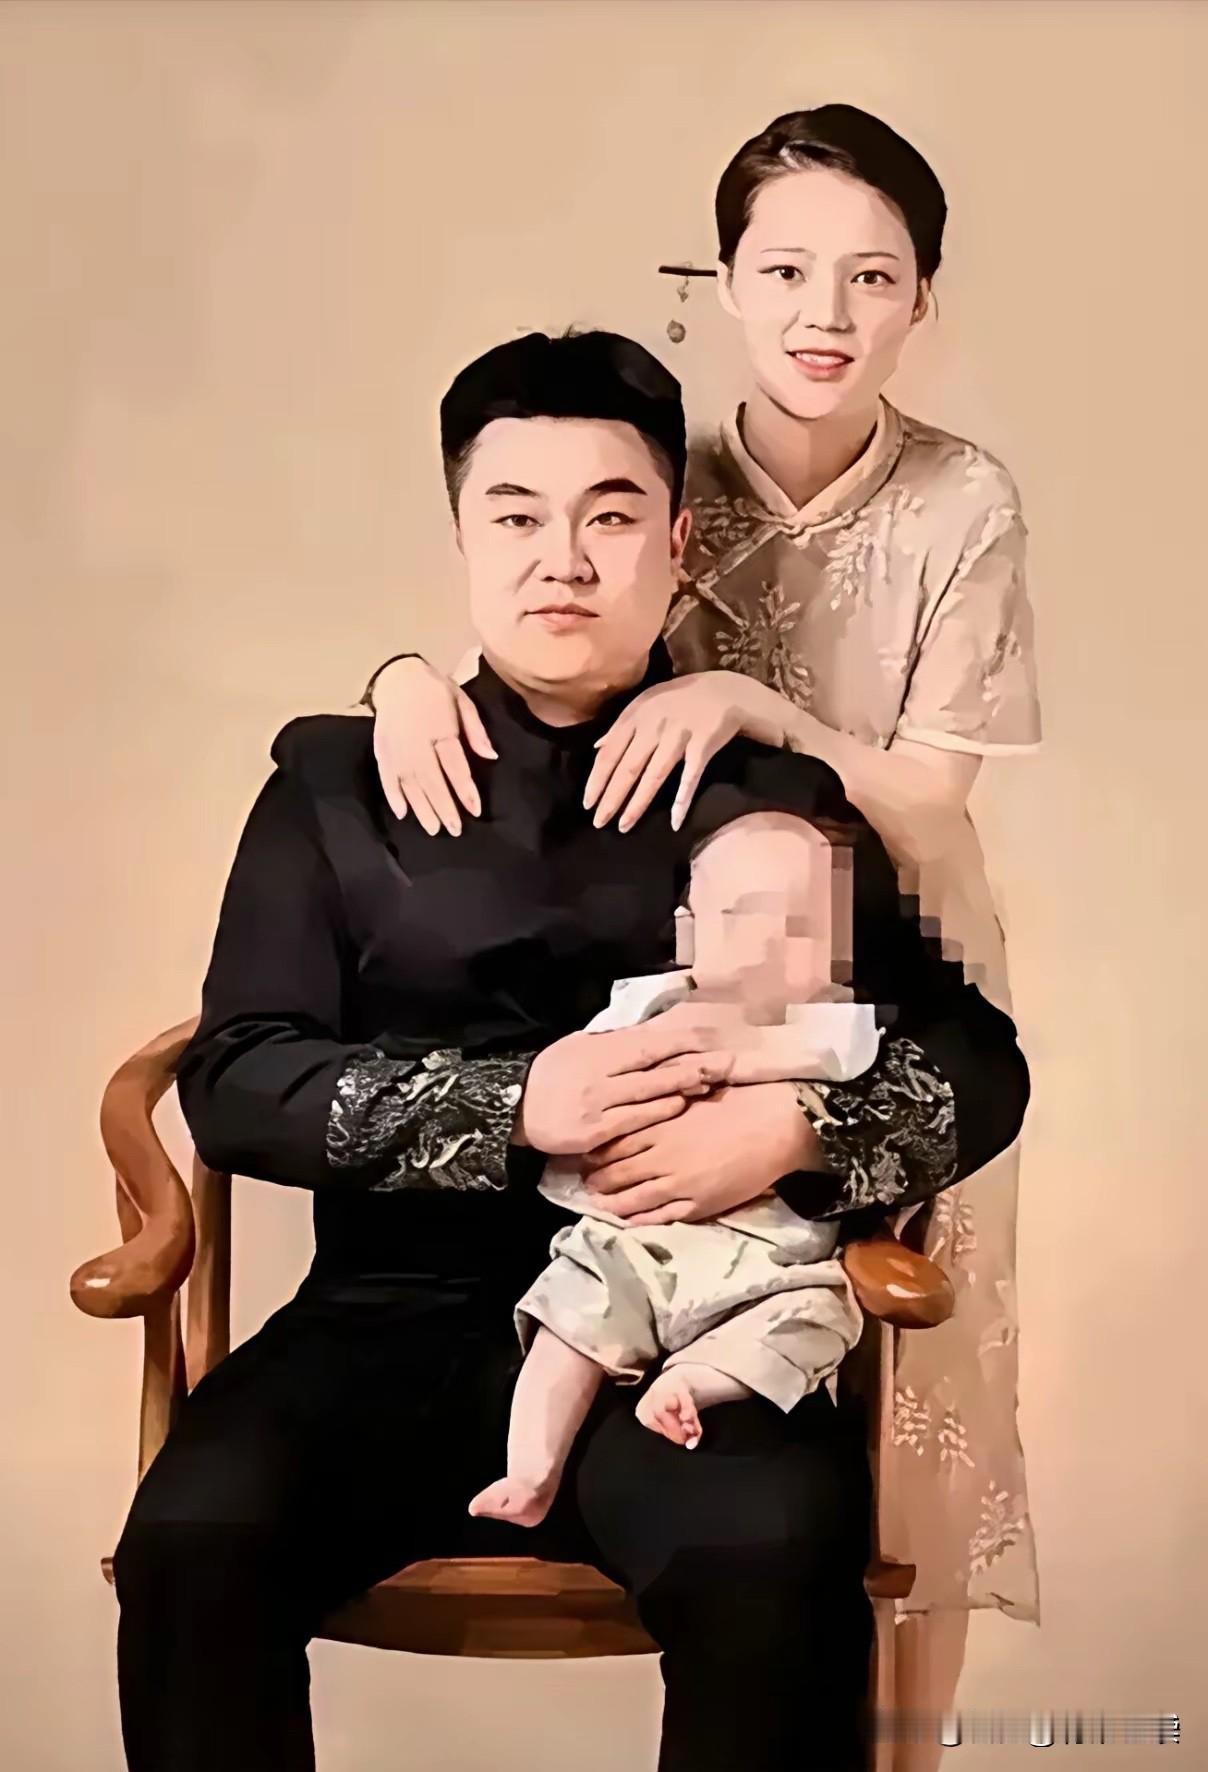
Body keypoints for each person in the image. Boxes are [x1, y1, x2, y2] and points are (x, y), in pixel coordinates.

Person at [111, 328, 1029, 1772]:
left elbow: (978, 1060)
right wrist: (513, 1102)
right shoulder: (339, 782)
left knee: (771, 1546)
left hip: (689, 1330)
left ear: (674, 541)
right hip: (388, 1319)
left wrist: (799, 1130)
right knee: (194, 1537)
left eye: (609, 517)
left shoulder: (769, 796)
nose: (563, 561)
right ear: (462, 539)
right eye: (516, 517)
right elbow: (236, 1080)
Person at [361, 107, 1043, 1742]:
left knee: (909, 1413)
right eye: (784, 271)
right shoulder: (669, 471)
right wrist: (396, 679)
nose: (825, 314)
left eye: (871, 276)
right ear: (720, 284)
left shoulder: (961, 497)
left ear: (922, 298)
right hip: (690, 948)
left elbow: (930, 797)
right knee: (679, 1297)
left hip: (888, 954)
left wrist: (755, 704)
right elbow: (539, 623)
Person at [469, 808, 883, 1525]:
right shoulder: (645, 1006)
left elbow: (849, 1057)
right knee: (568, 1317)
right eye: (744, 917)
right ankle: (531, 1470)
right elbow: (579, 1077)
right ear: (689, 935)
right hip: (632, 1244)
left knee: (819, 1317)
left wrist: (733, 1055)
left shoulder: (828, 1023)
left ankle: (695, 1382)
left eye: (802, 926)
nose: (770, 942)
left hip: (771, 1261)